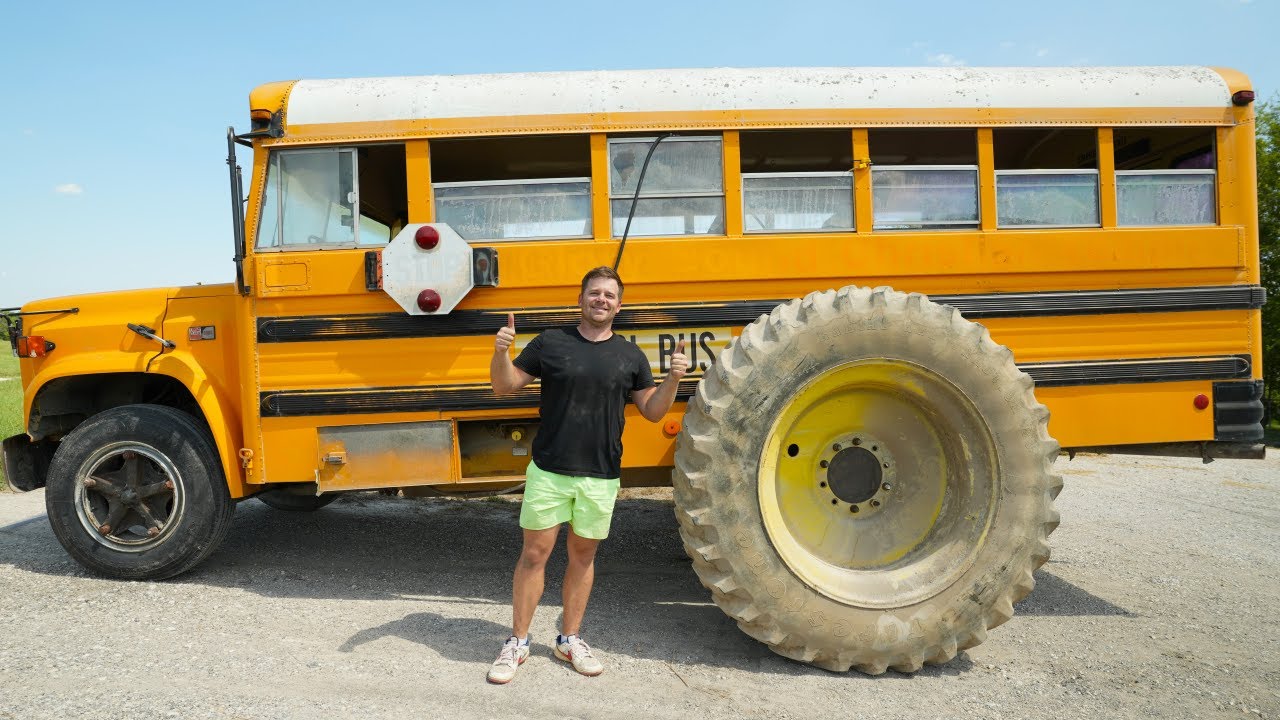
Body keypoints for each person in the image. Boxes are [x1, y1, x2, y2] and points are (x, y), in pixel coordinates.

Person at [485, 266, 689, 684]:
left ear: (619, 304)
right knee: (534, 556)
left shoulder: (630, 355)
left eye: (609, 295)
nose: (601, 300)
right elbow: (503, 387)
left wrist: (673, 378)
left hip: (600, 475)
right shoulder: (551, 342)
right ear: (580, 298)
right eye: (594, 293)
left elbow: (652, 412)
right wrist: (501, 351)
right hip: (549, 470)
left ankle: (569, 639)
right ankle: (518, 643)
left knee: (583, 558)